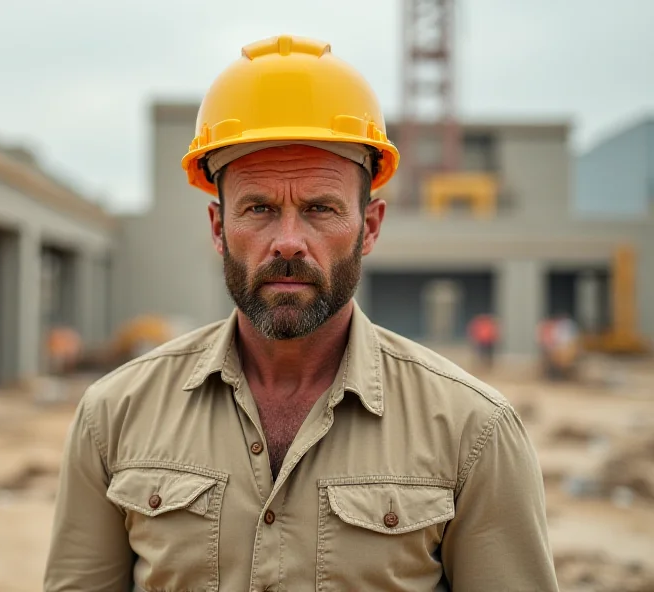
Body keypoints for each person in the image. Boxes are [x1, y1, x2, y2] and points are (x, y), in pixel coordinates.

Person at [44, 35, 558, 591]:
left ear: (371, 227)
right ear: (219, 228)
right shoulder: (114, 417)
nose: (288, 242)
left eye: (319, 208)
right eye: (259, 208)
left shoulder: (473, 432)